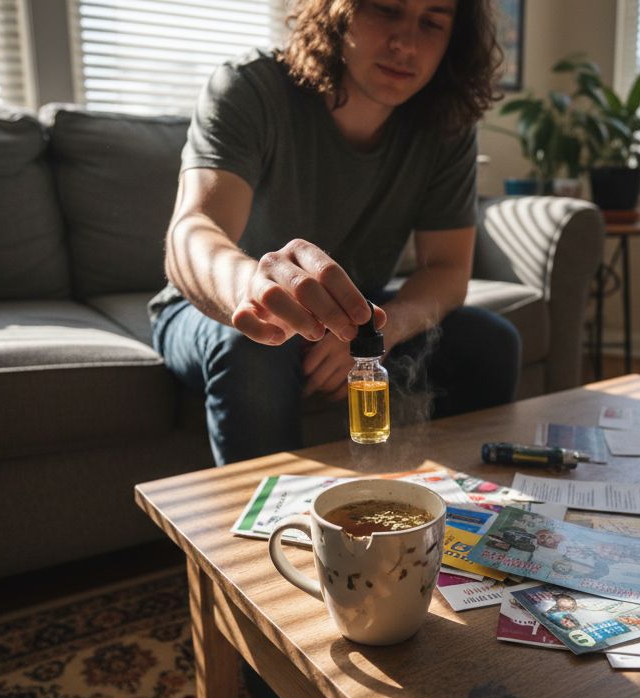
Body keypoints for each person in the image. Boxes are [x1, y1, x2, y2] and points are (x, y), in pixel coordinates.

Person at [150, 0, 521, 465]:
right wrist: (252, 288)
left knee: (490, 343)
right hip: (207, 309)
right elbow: (194, 231)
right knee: (255, 345)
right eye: (386, 10)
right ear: (335, 11)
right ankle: (272, 529)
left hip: (358, 313)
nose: (405, 42)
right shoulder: (249, 88)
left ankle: (458, 512)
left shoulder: (446, 124)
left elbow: (448, 269)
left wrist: (375, 335)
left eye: (431, 22)